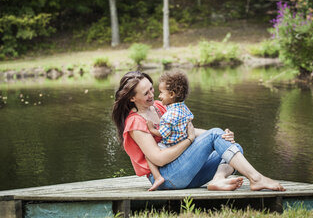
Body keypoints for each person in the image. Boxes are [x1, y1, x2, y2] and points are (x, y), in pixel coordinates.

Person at [112, 71, 286, 191]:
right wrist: (189, 140)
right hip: (167, 178)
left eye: (152, 88)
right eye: (145, 93)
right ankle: (256, 179)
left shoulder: (159, 107)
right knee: (217, 137)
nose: (152, 94)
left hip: (186, 173)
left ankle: (218, 179)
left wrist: (221, 137)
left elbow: (188, 130)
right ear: (132, 98)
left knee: (232, 147)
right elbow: (158, 158)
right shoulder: (135, 122)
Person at [145, 70, 194, 191]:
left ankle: (157, 177)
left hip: (170, 145)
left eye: (161, 93)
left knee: (148, 155)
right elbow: (189, 120)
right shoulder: (184, 107)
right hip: (183, 142)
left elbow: (163, 133)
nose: (159, 96)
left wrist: (152, 129)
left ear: (171, 94)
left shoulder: (168, 116)